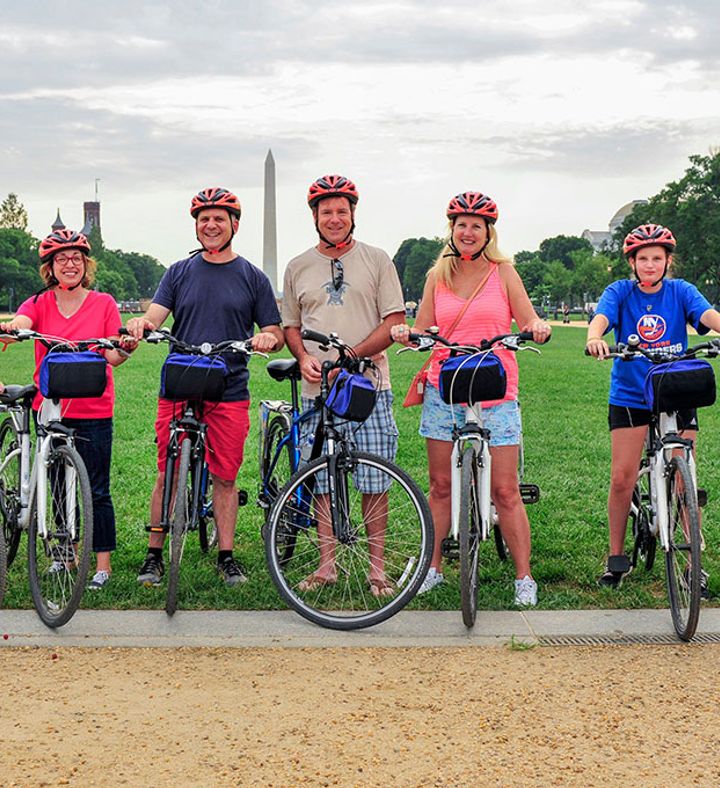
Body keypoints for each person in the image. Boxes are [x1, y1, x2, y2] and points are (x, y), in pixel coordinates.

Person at [391, 191, 551, 606]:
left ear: (487, 233)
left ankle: (523, 577)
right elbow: (424, 326)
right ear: (452, 230)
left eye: (475, 226)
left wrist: (537, 326)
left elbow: (527, 315)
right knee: (440, 486)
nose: (467, 232)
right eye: (461, 225)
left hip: (496, 387)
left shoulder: (503, 272)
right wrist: (410, 333)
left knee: (505, 490)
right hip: (446, 385)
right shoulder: (437, 276)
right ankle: (433, 569)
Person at [126, 187, 283, 587]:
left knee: (226, 477)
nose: (210, 225)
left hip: (228, 385)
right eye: (203, 219)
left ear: (234, 224)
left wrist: (267, 338)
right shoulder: (179, 271)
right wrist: (143, 324)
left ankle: (227, 556)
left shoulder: (252, 276)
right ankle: (154, 554)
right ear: (196, 226)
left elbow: (273, 329)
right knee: (167, 471)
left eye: (219, 218)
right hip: (180, 380)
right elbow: (156, 315)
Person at [282, 174, 406, 596]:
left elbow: (393, 322)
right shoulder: (298, 266)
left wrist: (349, 357)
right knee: (322, 483)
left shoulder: (376, 259)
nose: (334, 219)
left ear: (353, 214)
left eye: (341, 211)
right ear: (314, 216)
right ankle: (326, 566)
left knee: (374, 480)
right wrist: (303, 358)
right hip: (320, 391)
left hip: (369, 388)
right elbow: (292, 325)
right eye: (326, 212)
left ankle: (376, 570)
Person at [586, 223, 720, 593]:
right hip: (630, 394)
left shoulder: (681, 291)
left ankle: (695, 565)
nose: (649, 265)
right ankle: (616, 559)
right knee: (622, 477)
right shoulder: (620, 292)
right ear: (632, 262)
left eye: (656, 258)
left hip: (676, 392)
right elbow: (602, 316)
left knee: (684, 479)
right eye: (642, 258)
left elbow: (707, 316)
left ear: (667, 261)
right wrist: (595, 336)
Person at [0, 229, 136, 590]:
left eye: (76, 258)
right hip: (53, 408)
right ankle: (65, 554)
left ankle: (102, 564)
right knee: (58, 484)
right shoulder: (39, 302)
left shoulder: (104, 303)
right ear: (50, 267)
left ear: (86, 264)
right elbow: (24, 324)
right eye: (61, 259)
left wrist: (127, 347)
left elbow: (112, 356)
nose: (69, 264)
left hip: (94, 408)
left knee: (98, 489)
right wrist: (15, 326)